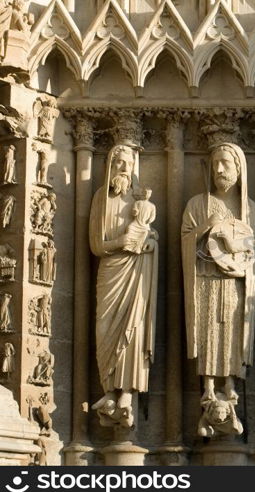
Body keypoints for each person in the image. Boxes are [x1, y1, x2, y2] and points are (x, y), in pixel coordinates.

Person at [181, 143, 255, 407]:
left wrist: (236, 262)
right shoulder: (196, 204)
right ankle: (208, 385)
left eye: (225, 163)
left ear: (239, 168)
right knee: (208, 332)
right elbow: (185, 242)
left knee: (231, 331)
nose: (218, 169)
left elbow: (254, 250)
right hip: (205, 281)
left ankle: (230, 382)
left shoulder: (250, 209)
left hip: (234, 283)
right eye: (215, 163)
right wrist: (207, 226)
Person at [89, 144, 158, 427]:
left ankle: (127, 392)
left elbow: (151, 237)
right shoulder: (100, 200)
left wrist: (148, 243)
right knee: (105, 328)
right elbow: (96, 245)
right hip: (111, 271)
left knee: (134, 329)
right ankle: (108, 389)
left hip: (136, 272)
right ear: (109, 166)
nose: (122, 167)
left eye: (127, 163)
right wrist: (122, 242)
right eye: (117, 162)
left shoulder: (142, 204)